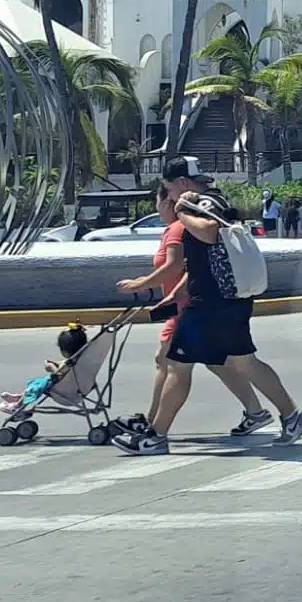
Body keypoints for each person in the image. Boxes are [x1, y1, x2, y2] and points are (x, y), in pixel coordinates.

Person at [112, 157, 302, 455]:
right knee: (245, 362)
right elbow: (200, 262)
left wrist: (181, 210)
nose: (168, 198)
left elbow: (208, 233)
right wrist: (177, 295)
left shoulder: (199, 205)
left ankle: (155, 436)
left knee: (177, 367)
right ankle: (292, 415)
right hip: (228, 300)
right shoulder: (214, 200)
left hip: (210, 304)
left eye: (168, 190)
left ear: (181, 184)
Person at [113, 184, 271, 437]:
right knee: (218, 362)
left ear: (167, 201)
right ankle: (258, 411)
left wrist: (139, 285)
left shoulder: (178, 228)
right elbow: (192, 267)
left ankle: (153, 426)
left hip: (193, 309)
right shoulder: (181, 226)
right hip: (188, 305)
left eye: (158, 199)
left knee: (171, 363)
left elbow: (175, 266)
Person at [0, 324, 88, 414]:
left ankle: (17, 405)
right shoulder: (80, 359)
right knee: (36, 384)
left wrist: (51, 367)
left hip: (65, 391)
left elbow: (59, 375)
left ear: (65, 350)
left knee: (35, 387)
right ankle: (20, 397)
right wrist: (56, 363)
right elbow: (64, 367)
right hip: (77, 387)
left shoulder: (71, 363)